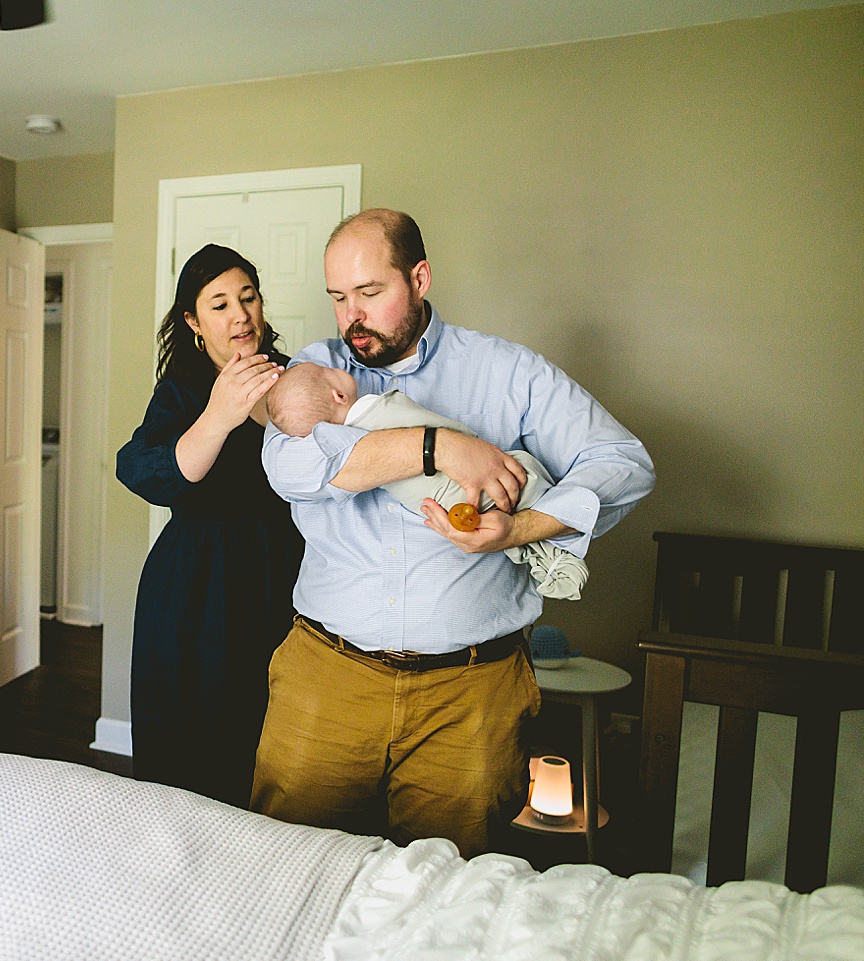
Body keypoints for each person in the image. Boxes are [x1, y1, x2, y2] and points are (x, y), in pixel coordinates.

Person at [252, 209, 655, 856]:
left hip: (472, 695)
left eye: (370, 293)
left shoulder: (507, 372)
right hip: (326, 680)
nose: (350, 316)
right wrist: (436, 447)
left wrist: (522, 527)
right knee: (290, 864)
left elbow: (626, 465)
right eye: (338, 298)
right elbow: (290, 467)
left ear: (419, 277)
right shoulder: (314, 371)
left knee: (456, 885)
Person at [116, 244, 304, 807]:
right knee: (194, 741)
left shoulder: (292, 378)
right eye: (219, 304)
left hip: (283, 574)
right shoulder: (183, 390)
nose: (240, 315)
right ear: (194, 323)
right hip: (197, 585)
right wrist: (220, 416)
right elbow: (143, 469)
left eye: (248, 298)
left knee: (273, 737)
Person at [265, 362, 587, 600]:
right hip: (465, 485)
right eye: (326, 371)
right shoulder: (378, 407)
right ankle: (558, 542)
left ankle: (543, 555)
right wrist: (462, 443)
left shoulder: (337, 445)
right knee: (522, 473)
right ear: (337, 394)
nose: (331, 365)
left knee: (509, 523)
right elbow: (437, 428)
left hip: (448, 509)